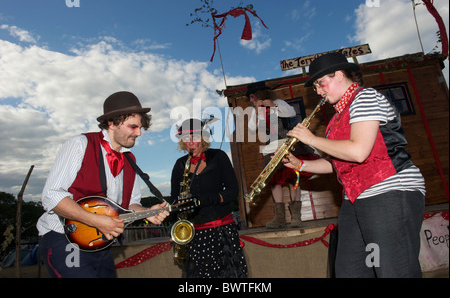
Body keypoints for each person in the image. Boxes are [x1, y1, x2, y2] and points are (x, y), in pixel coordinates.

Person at [283, 52, 426, 277]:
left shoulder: (365, 98)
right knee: (350, 271)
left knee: (393, 269)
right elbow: (338, 163)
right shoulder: (336, 118)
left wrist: (310, 139)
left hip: (389, 189)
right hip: (355, 198)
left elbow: (358, 152)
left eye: (321, 83)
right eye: (317, 87)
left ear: (339, 75)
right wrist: (300, 164)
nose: (319, 91)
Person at [37, 91, 169, 278]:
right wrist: (96, 221)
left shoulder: (130, 160)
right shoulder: (80, 144)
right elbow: (51, 195)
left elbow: (130, 205)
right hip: (65, 239)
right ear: (112, 123)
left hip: (102, 243)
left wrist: (148, 213)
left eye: (140, 127)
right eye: (133, 126)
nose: (139, 133)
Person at [170, 118, 248, 278]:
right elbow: (173, 200)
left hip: (222, 232)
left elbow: (233, 191)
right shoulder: (179, 165)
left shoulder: (218, 157)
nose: (190, 143)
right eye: (186, 138)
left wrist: (204, 200)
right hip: (194, 235)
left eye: (195, 137)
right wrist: (179, 208)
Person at [247, 82, 317, 228]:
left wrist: (272, 106)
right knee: (273, 182)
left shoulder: (277, 102)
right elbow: (251, 128)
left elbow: (291, 112)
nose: (251, 100)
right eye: (250, 98)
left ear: (260, 95)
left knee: (292, 177)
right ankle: (279, 218)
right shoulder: (255, 111)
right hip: (271, 147)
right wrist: (258, 113)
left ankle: (296, 217)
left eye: (252, 97)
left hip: (287, 144)